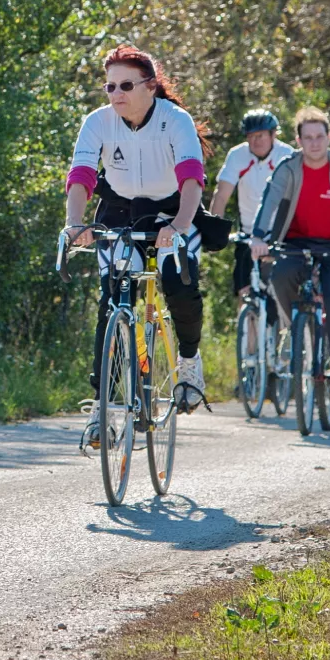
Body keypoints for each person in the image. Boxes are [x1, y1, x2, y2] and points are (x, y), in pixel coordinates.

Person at [66, 43, 216, 420]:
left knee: (178, 282)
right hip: (119, 209)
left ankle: (189, 360)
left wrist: (180, 224)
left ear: (150, 86)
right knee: (113, 297)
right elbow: (81, 176)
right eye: (110, 87)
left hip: (171, 208)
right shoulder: (97, 122)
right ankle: (102, 406)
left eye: (126, 86)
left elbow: (192, 179)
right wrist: (75, 223)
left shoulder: (174, 119)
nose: (116, 94)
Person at [252, 106, 330, 403]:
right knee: (280, 275)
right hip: (295, 242)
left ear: (329, 137)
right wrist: (259, 237)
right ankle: (292, 332)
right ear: (298, 140)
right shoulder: (289, 167)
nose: (314, 143)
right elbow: (270, 200)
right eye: (308, 137)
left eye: (320, 136)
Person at [209, 109, 295, 310]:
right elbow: (221, 195)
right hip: (248, 233)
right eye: (250, 136)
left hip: (281, 234)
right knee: (245, 291)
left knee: (281, 293)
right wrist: (214, 233)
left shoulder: (287, 155)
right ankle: (247, 337)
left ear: (273, 134)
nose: (256, 141)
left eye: (261, 135)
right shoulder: (238, 155)